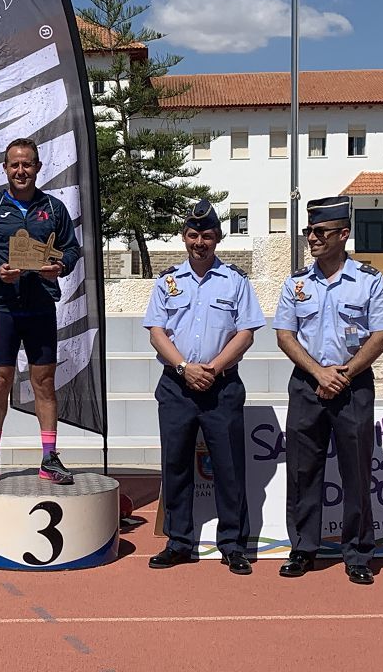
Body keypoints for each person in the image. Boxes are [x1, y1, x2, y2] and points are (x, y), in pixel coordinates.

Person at [273, 196, 383, 585]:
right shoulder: (296, 283)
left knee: (356, 473)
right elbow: (285, 335)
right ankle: (304, 548)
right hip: (308, 386)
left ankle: (358, 553)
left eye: (321, 232)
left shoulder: (369, 280)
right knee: (303, 471)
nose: (313, 238)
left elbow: (381, 335)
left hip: (353, 386)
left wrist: (342, 373)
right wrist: (319, 373)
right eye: (310, 231)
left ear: (343, 233)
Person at [142, 201, 264, 575]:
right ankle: (179, 542)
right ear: (184, 237)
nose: (199, 242)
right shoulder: (167, 281)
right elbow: (157, 331)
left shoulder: (236, 281)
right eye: (193, 235)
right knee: (176, 465)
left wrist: (214, 367)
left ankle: (233, 544)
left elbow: (246, 333)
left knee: (228, 468)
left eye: (207, 235)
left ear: (218, 238)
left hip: (221, 387)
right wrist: (183, 367)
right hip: (177, 387)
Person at [0, 139, 80, 484]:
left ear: (38, 167)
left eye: (27, 164)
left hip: (41, 307)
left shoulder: (54, 208)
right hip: (4, 308)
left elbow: (71, 250)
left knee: (44, 382)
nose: (21, 171)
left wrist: (59, 266)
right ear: (5, 168)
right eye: (14, 165)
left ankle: (49, 457)